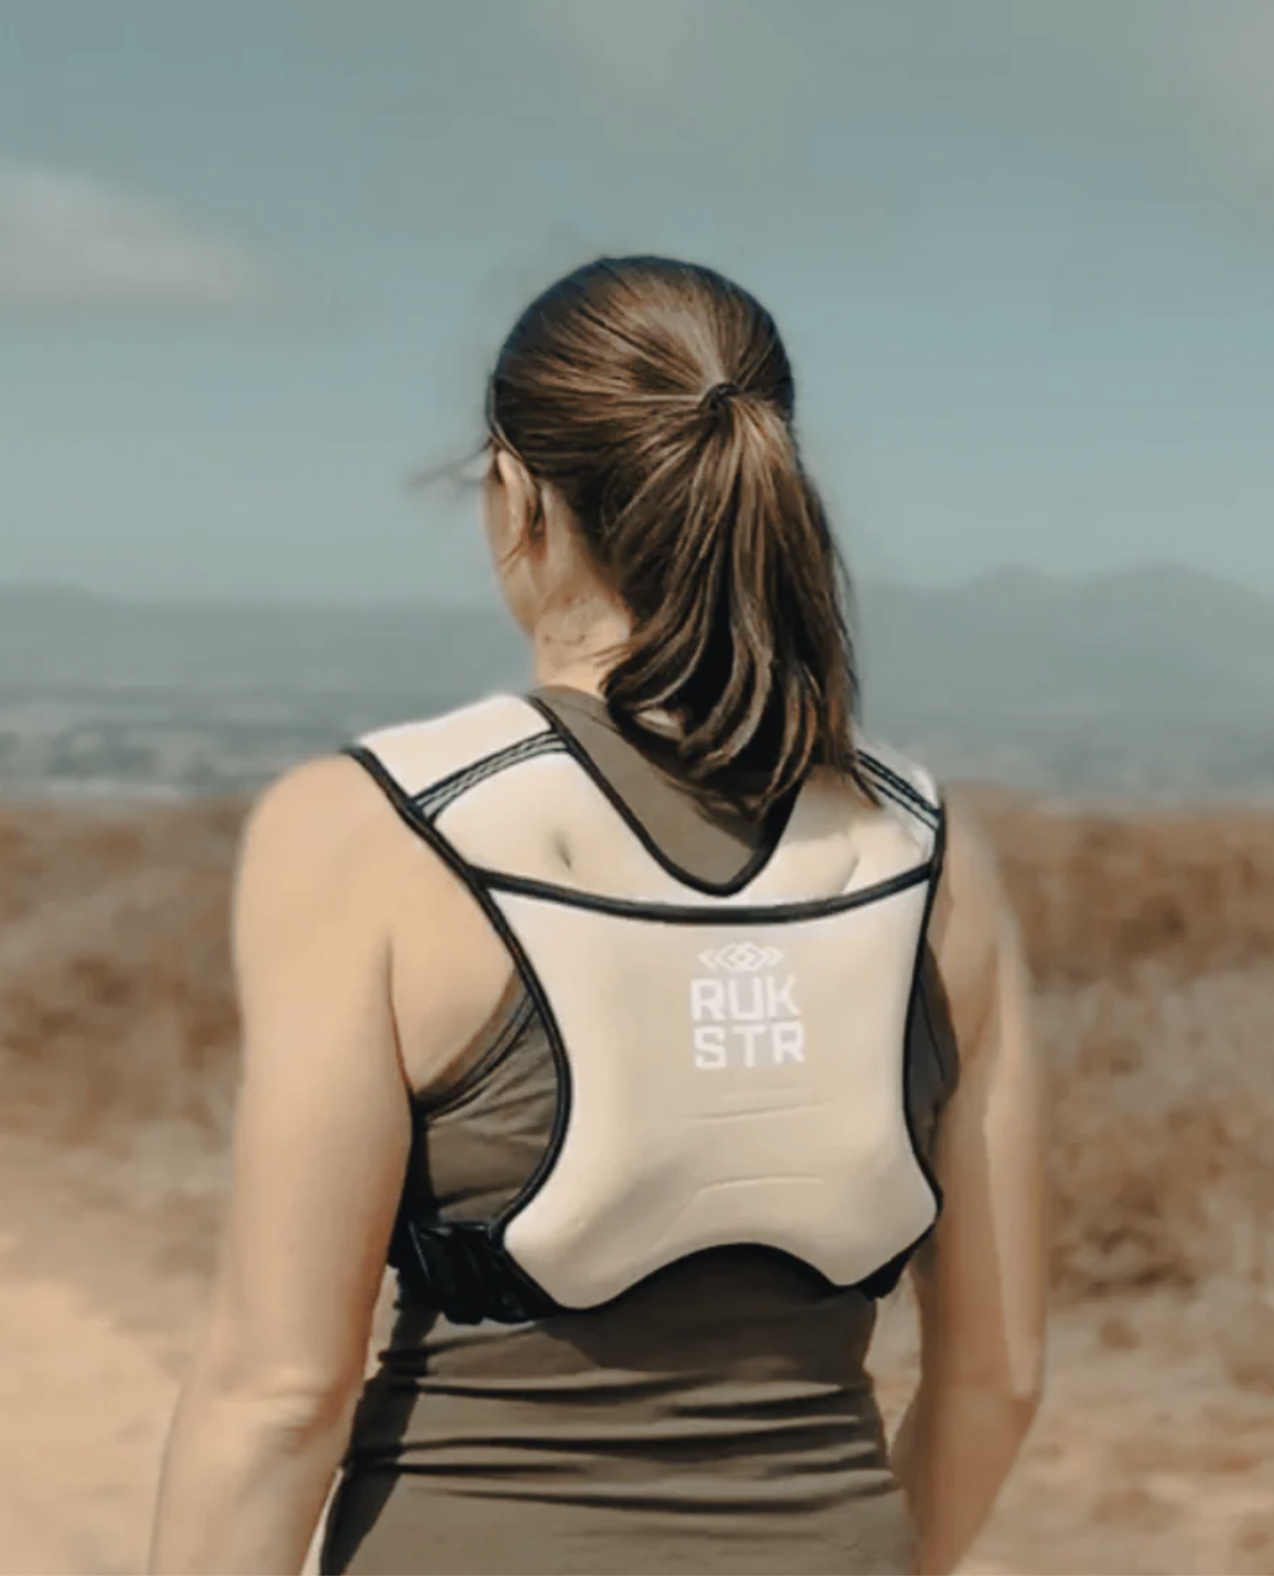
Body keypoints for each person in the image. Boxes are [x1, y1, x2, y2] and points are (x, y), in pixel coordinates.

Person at [148, 256, 1046, 1576]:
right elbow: (998, 1376)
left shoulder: (372, 831)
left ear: (513, 495)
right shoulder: (927, 856)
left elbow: (280, 1395)